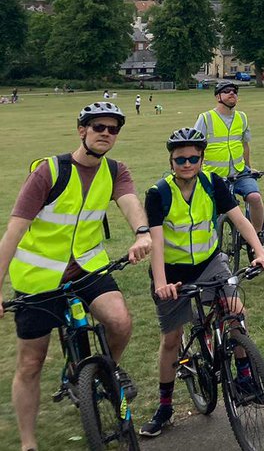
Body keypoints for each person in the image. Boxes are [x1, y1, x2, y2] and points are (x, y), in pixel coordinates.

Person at [0, 102, 152, 451]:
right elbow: (13, 232)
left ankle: (103, 372)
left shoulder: (115, 171)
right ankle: (28, 443)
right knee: (31, 363)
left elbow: (129, 202)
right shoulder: (49, 172)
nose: (106, 134)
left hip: (87, 267)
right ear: (82, 130)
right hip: (39, 278)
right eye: (99, 127)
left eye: (113, 130)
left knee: (120, 322)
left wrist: (142, 232)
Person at [140, 128, 264, 437]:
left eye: (193, 158)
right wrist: (161, 282)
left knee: (236, 313)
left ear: (201, 159)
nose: (186, 164)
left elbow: (239, 219)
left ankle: (243, 378)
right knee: (171, 340)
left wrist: (260, 251)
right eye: (180, 159)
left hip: (209, 262)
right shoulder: (158, 193)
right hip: (171, 271)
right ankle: (165, 407)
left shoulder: (213, 183)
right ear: (171, 161)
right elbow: (156, 243)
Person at [194, 81, 264, 236]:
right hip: (214, 174)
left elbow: (245, 145)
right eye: (226, 91)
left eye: (234, 91)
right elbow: (195, 148)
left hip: (239, 171)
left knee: (254, 197)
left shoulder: (242, 117)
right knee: (213, 208)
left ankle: (257, 236)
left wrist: (249, 167)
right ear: (218, 96)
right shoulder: (206, 118)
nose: (232, 93)